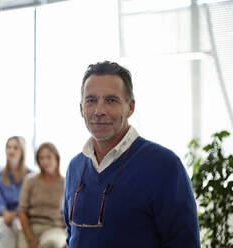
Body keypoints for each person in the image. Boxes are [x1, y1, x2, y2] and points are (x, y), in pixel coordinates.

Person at [63, 61, 201, 248]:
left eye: (111, 100)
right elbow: (72, 236)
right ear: (81, 108)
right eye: (91, 100)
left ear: (130, 107)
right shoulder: (75, 167)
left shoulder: (164, 166)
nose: (99, 111)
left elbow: (184, 243)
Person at [18, 142, 67, 248]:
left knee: (50, 244)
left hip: (55, 228)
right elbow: (22, 211)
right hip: (31, 228)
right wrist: (30, 239)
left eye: (48, 157)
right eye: (41, 158)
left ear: (56, 158)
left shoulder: (66, 183)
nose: (45, 161)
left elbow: (71, 215)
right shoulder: (30, 180)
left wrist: (68, 238)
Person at [0, 136, 30, 248]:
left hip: (24, 216)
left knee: (18, 225)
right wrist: (6, 214)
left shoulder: (31, 176)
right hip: (5, 218)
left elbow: (30, 203)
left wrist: (14, 214)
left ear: (22, 151)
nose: (11, 150)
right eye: (8, 147)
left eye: (15, 148)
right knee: (5, 226)